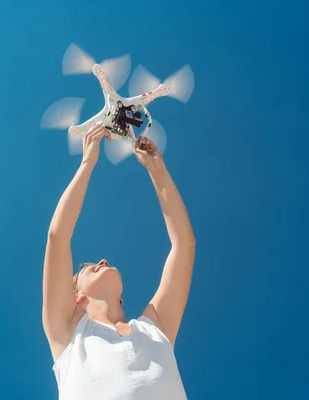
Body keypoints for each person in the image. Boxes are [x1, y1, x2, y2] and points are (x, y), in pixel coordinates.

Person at [42, 123, 196, 399]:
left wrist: (157, 170)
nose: (102, 260)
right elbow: (58, 236)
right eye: (89, 268)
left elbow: (184, 245)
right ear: (75, 297)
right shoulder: (67, 332)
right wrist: (88, 161)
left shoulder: (154, 328)